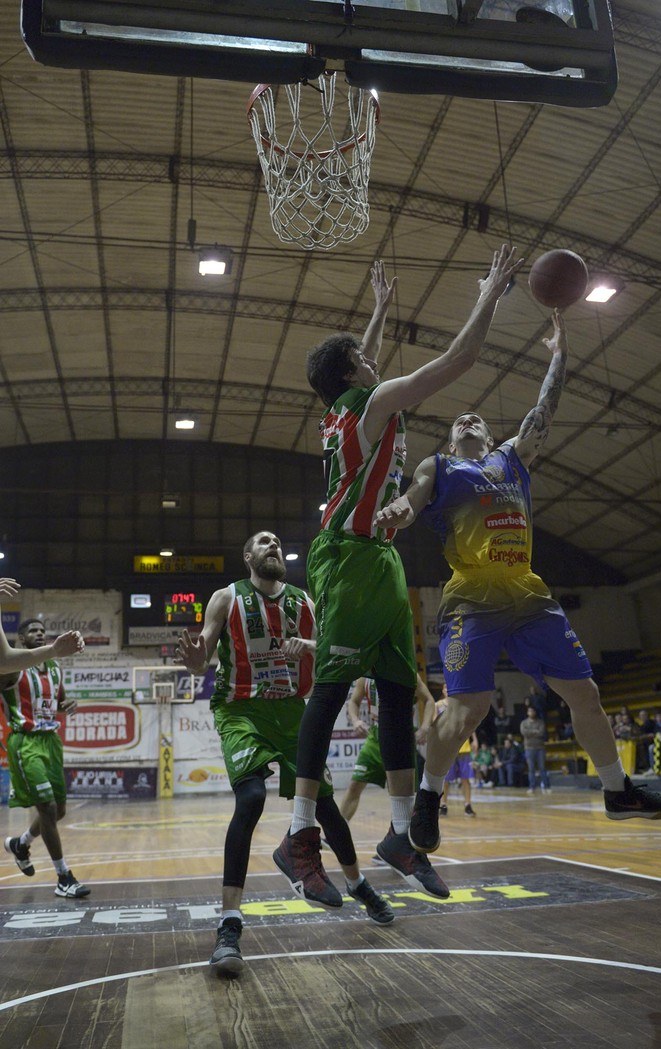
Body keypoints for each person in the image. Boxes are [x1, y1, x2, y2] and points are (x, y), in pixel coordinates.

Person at [374, 309, 661, 857]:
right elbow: (412, 500)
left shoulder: (514, 458)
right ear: (451, 438)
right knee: (469, 707)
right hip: (471, 597)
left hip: (529, 593)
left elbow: (545, 409)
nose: (468, 419)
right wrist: (398, 509)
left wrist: (560, 355)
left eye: (477, 418)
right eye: (459, 420)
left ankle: (617, 790)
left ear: (492, 433)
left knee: (585, 693)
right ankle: (429, 796)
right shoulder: (438, 468)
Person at [274, 245, 523, 905]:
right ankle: (298, 835)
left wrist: (380, 311)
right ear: (355, 369)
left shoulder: (345, 406)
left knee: (392, 689)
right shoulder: (372, 401)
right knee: (329, 691)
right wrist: (490, 292)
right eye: (363, 350)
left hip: (378, 555)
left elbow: (363, 370)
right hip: (349, 555)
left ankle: (401, 836)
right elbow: (459, 361)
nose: (371, 353)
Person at [176, 530, 394, 976]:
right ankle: (229, 924)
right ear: (247, 554)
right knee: (251, 799)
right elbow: (203, 658)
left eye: (277, 542)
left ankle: (358, 884)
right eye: (262, 541)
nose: (273, 545)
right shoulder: (226, 598)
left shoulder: (305, 603)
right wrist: (197, 660)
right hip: (243, 711)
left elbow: (335, 652)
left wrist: (311, 646)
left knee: (328, 810)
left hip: (295, 711)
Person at [1, 615, 88, 897]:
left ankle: (22, 843)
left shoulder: (53, 667)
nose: (40, 634)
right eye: (33, 631)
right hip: (25, 742)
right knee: (48, 809)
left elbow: (58, 701)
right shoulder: (12, 670)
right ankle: (63, 876)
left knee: (59, 810)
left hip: (51, 740)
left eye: (42, 630)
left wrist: (67, 704)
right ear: (21, 639)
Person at [340, 675, 435, 824]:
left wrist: (424, 728)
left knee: (403, 794)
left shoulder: (407, 671)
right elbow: (353, 702)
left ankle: (405, 835)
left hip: (401, 734)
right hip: (375, 736)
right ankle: (336, 835)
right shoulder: (366, 676)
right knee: (354, 785)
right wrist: (355, 720)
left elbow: (429, 700)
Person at [520, 705, 551, 794]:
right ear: (527, 712)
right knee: (531, 769)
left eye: (532, 711)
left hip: (540, 747)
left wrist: (531, 732)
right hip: (529, 748)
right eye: (529, 711)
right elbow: (524, 733)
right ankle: (532, 787)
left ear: (535, 712)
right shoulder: (524, 723)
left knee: (542, 768)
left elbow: (541, 732)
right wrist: (535, 731)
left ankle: (546, 786)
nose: (531, 713)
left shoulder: (540, 722)